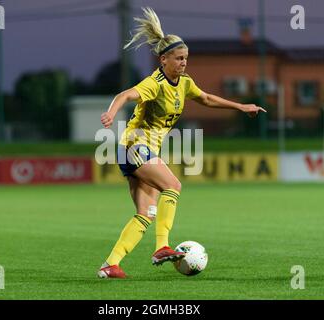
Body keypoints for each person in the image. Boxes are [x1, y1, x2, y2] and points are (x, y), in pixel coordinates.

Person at [98, 7, 266, 278]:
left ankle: (110, 265)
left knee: (145, 213)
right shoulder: (156, 83)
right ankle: (162, 246)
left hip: (138, 151)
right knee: (173, 185)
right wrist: (111, 113)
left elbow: (207, 99)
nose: (184, 63)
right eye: (178, 58)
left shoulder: (185, 83)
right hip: (134, 146)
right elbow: (125, 94)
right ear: (163, 59)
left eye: (186, 58)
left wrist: (240, 106)